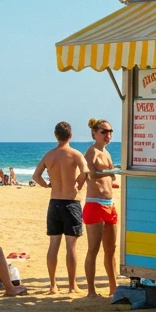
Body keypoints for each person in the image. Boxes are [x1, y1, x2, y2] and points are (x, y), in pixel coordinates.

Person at [32, 122, 87, 294]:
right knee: (71, 246)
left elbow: (36, 176)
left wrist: (47, 185)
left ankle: (53, 285)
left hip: (54, 202)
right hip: (71, 202)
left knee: (53, 244)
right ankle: (72, 285)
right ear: (71, 135)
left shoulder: (49, 155)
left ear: (56, 135)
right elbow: (85, 171)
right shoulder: (75, 154)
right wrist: (79, 182)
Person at [83, 118, 119, 298]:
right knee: (93, 249)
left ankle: (114, 287)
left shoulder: (107, 154)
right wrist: (111, 173)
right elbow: (92, 174)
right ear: (94, 133)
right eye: (104, 131)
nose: (108, 135)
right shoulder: (91, 152)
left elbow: (111, 179)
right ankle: (91, 290)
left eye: (110, 131)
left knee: (111, 249)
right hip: (94, 203)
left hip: (109, 204)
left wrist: (115, 175)